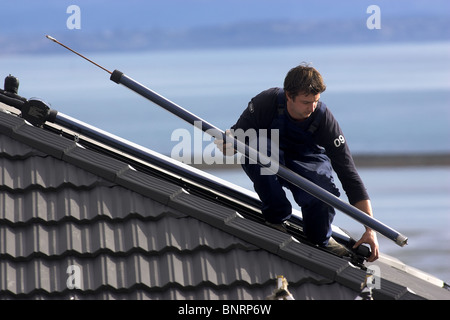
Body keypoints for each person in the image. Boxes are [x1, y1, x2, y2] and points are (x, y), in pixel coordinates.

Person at [215, 64, 379, 262]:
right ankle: (276, 217)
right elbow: (237, 136)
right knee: (256, 148)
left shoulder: (324, 119)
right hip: (270, 155)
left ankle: (320, 236)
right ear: (289, 96)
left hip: (308, 160)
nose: (311, 108)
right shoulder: (265, 103)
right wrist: (228, 144)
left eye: (315, 102)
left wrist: (370, 229)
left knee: (322, 198)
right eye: (305, 102)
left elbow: (349, 175)